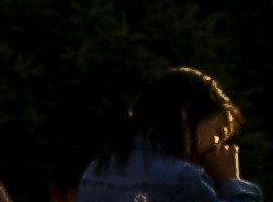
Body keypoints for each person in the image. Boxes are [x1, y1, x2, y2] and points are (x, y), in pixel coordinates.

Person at [68, 69, 255, 201]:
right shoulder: (183, 178)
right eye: (217, 133)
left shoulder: (96, 170)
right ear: (186, 115)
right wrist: (231, 182)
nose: (218, 145)